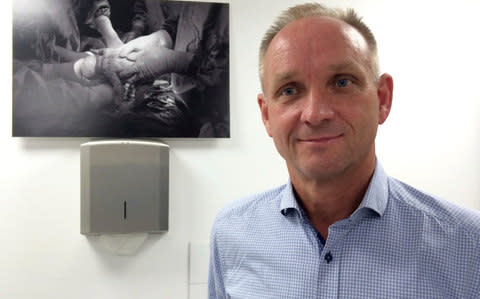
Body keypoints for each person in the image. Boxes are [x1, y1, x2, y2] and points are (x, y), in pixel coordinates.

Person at [208, 3, 480, 298]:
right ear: (266, 115)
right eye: (289, 90)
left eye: (341, 82)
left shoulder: (467, 244)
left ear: (382, 99)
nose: (315, 113)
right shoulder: (231, 233)